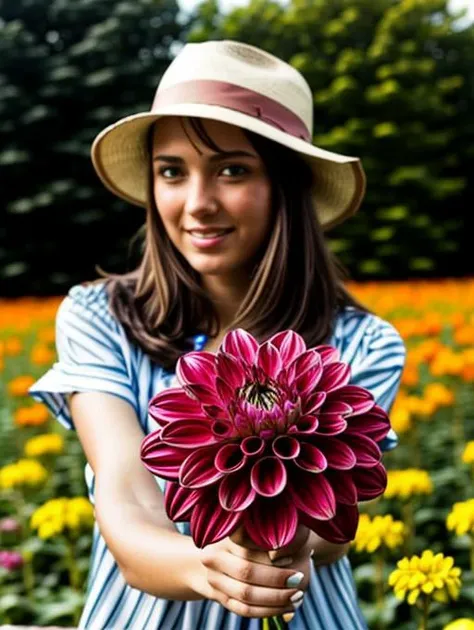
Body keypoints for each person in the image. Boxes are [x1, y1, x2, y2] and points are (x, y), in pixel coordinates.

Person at [29, 39, 406, 630]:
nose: (198, 204)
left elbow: (337, 523)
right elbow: (125, 497)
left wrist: (288, 543)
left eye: (232, 169)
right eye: (171, 172)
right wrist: (206, 568)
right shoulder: (98, 316)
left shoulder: (363, 344)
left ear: (289, 185)